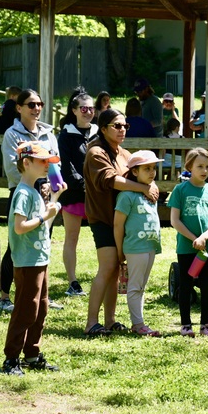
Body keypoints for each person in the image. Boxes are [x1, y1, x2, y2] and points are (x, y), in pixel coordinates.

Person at [83, 108, 159, 337]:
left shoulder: (124, 154)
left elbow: (135, 175)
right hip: (103, 219)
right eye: (117, 125)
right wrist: (144, 188)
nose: (122, 129)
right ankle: (91, 323)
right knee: (107, 268)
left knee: (115, 270)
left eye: (125, 126)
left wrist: (150, 183)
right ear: (103, 128)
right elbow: (111, 180)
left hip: (124, 221)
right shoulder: (96, 153)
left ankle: (110, 320)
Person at [1, 141, 65, 375]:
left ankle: (32, 354)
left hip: (40, 259)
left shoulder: (36, 191)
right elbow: (19, 227)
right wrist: (43, 217)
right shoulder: (23, 194)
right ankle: (11, 359)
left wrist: (55, 198)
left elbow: (43, 225)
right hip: (27, 261)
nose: (47, 164)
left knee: (41, 308)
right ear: (26, 163)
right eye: (42, 161)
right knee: (26, 310)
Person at [0, 89, 63, 312]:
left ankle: (42, 295)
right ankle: (4, 296)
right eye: (31, 104)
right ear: (19, 108)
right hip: (23, 194)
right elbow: (13, 168)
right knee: (15, 245)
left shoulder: (48, 133)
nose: (36, 109)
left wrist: (55, 185)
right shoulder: (12, 134)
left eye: (40, 104)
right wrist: (36, 184)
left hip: (45, 195)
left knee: (43, 242)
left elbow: (56, 164)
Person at [169, 147, 208, 338]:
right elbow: (175, 220)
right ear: (189, 166)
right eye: (200, 166)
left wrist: (204, 238)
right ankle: (185, 325)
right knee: (186, 284)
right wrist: (194, 239)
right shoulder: (180, 190)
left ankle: (206, 325)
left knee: (207, 286)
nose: (204, 170)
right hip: (186, 247)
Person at [114, 150, 163, 337]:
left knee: (141, 286)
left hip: (149, 246)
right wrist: (120, 250)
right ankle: (138, 324)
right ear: (134, 172)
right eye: (146, 169)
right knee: (135, 287)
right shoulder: (127, 196)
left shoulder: (151, 192)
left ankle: (138, 323)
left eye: (153, 168)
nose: (152, 172)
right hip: (135, 247)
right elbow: (118, 224)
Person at [56, 88, 98, 297]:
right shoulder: (65, 135)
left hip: (96, 194)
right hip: (73, 193)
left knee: (102, 236)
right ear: (74, 110)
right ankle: (72, 282)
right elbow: (65, 167)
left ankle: (106, 276)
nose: (88, 112)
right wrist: (82, 184)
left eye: (91, 108)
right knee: (71, 237)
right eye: (84, 108)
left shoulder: (99, 132)